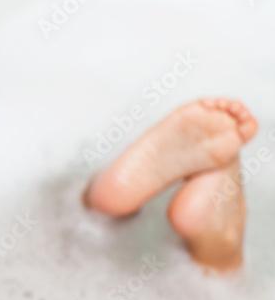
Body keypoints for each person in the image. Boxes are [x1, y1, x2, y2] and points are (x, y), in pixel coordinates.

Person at [83, 98, 259, 270]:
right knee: (223, 274)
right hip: (194, 294)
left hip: (78, 258)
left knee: (79, 211)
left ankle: (89, 198)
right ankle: (223, 246)